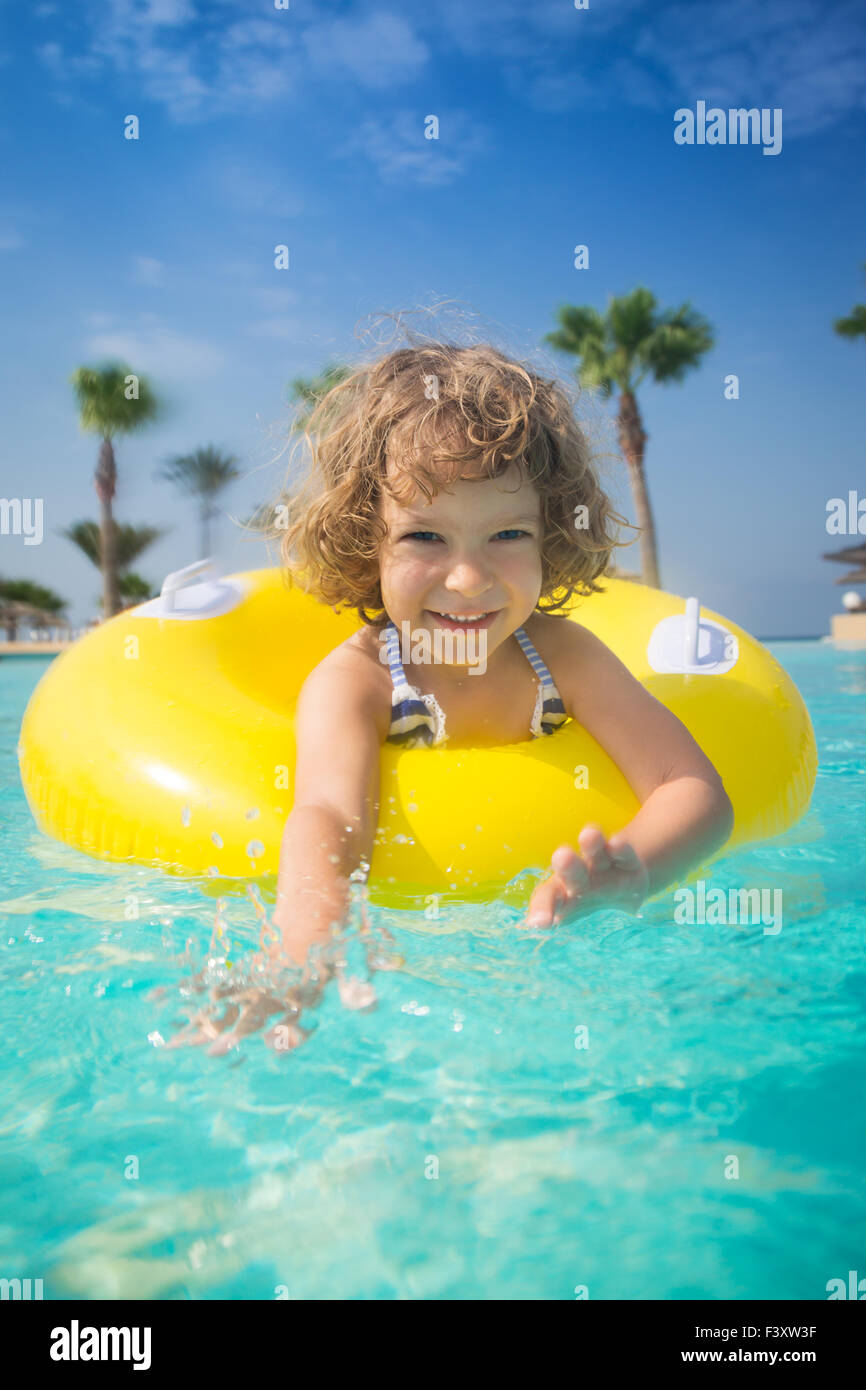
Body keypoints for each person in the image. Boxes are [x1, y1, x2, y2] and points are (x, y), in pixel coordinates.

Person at [171, 342, 732, 1054]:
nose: (468, 578)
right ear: (364, 543)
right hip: (419, 971)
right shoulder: (361, 679)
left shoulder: (563, 656)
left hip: (541, 981)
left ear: (550, 535)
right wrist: (300, 954)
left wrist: (636, 868)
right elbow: (327, 817)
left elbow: (692, 787)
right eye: (424, 536)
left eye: (507, 534)